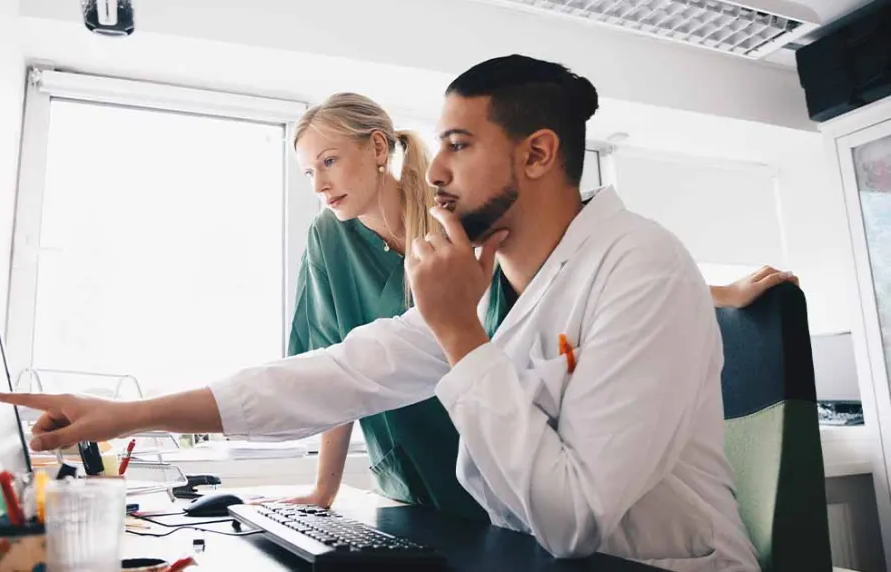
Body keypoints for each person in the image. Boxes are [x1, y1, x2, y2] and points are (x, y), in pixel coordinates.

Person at [0, 56, 766, 570]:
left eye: (459, 145)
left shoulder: (640, 264)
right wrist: (124, 415)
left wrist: (461, 333)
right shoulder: (492, 282)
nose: (440, 170)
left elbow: (572, 519)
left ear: (537, 154)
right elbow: (334, 376)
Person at [280, 92, 797, 515]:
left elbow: (575, 275)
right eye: (308, 173)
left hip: (492, 433)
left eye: (329, 162)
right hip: (407, 466)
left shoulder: (452, 213)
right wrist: (324, 492)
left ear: (375, 148)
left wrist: (721, 294)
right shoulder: (327, 240)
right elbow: (333, 369)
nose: (320, 184)